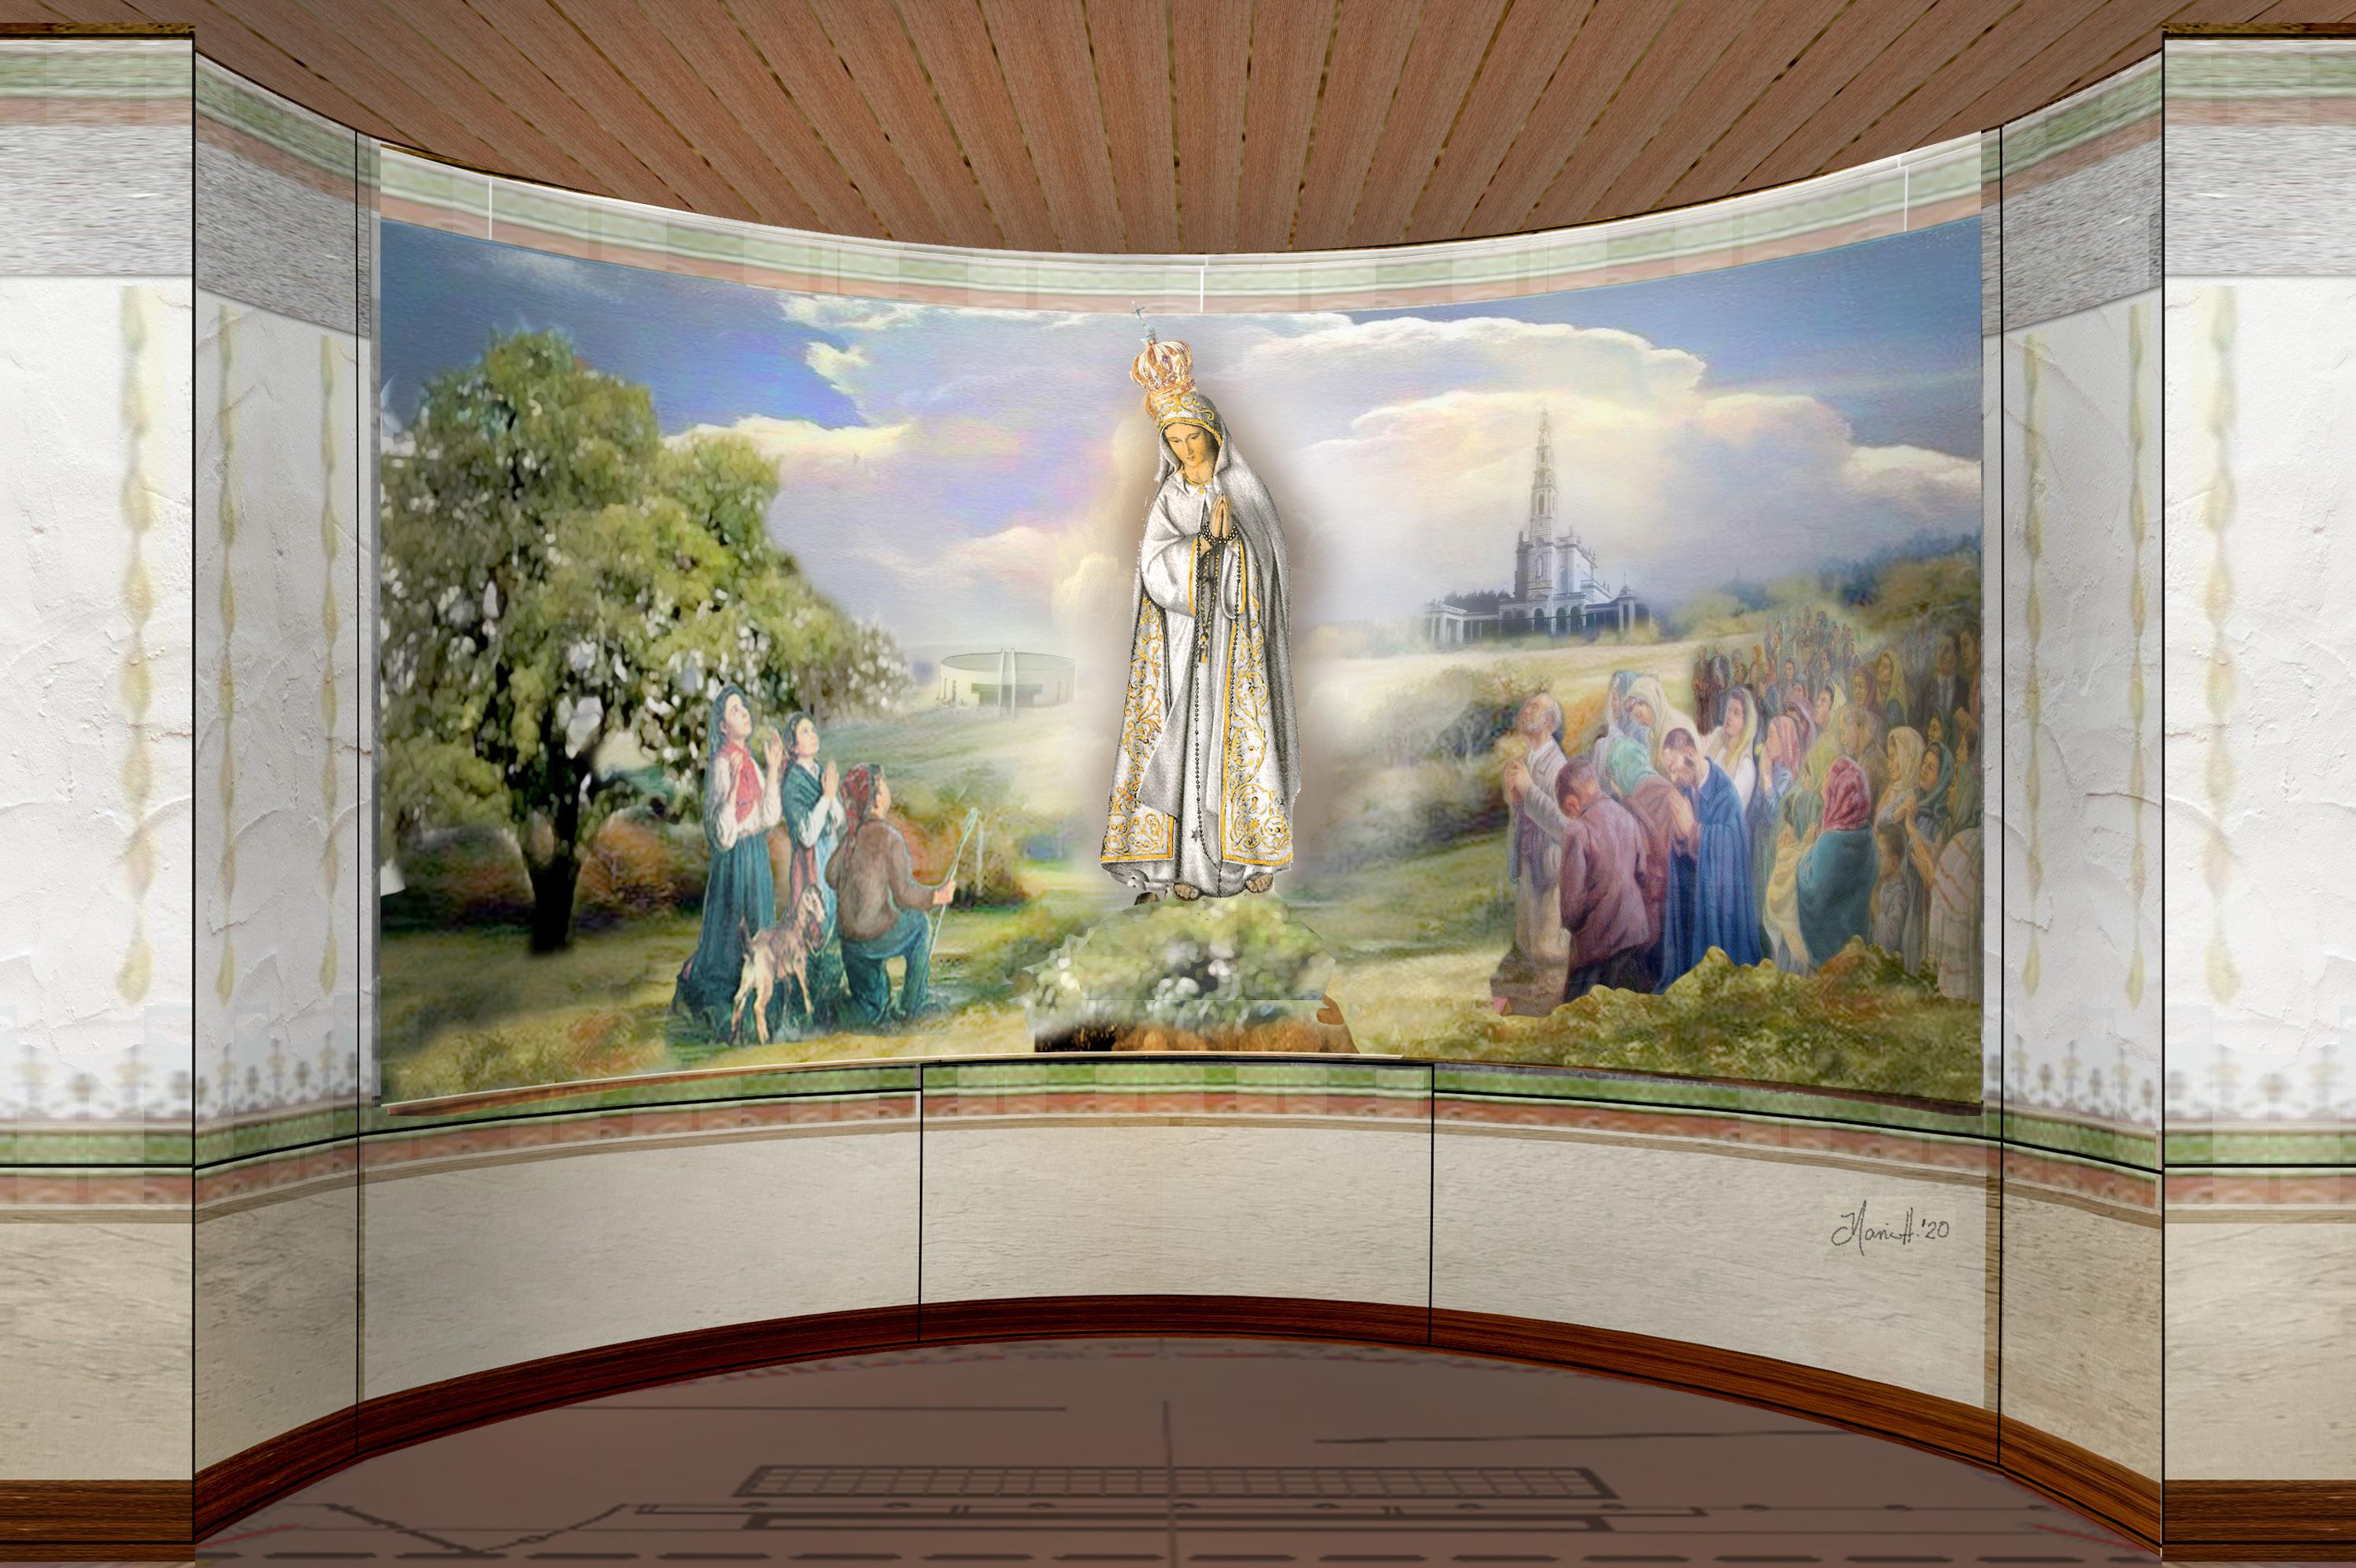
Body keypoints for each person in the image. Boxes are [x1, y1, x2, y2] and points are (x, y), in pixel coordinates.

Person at [1100, 333, 1300, 902]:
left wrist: (1232, 547)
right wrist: (1203, 548)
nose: (1186, 449)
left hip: (1237, 645)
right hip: (1185, 642)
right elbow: (1154, 566)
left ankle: (1249, 858)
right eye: (1175, 440)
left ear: (1213, 435)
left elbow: (1267, 565)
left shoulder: (1243, 489)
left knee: (1239, 742)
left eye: (1193, 437)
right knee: (1187, 742)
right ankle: (1185, 868)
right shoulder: (1169, 497)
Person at [672, 684, 782, 1033]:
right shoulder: (722, 764)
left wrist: (774, 768)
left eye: (744, 707)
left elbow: (769, 817)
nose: (744, 713)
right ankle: (723, 1012)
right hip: (734, 863)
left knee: (760, 931)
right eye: (735, 710)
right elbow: (721, 833)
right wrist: (734, 787)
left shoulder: (750, 761)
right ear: (722, 726)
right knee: (732, 935)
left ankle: (760, 1012)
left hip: (756, 856)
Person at [828, 765, 955, 1025]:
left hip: (850, 943)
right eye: (884, 784)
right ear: (876, 797)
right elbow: (905, 895)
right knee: (919, 926)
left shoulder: (850, 838)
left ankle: (837, 1013)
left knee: (872, 1006)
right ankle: (913, 1004)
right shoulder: (889, 838)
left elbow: (830, 876)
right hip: (874, 938)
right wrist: (937, 896)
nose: (887, 790)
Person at [1657, 728, 1762, 985]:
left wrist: (1695, 832)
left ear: (1690, 754)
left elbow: (1732, 846)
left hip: (1719, 901)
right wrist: (1680, 840)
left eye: (1674, 768)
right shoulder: (1686, 790)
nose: (1673, 777)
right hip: (1695, 896)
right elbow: (1683, 843)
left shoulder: (1726, 794)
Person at [1492, 693, 1572, 1014]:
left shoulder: (1559, 766)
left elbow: (1564, 825)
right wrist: (1515, 798)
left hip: (1551, 864)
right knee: (1528, 930)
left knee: (1549, 934)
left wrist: (1527, 790)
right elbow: (1524, 811)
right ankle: (1530, 985)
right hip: (1529, 859)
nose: (1526, 711)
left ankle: (1552, 991)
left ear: (1549, 722)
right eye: (1527, 707)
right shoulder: (1528, 761)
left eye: (1535, 708)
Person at [1555, 758, 1653, 1000]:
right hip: (1636, 939)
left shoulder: (1577, 833)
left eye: (1568, 813)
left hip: (1598, 951)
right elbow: (1642, 875)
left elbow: (1570, 911)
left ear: (1572, 803)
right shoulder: (1628, 818)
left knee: (1578, 1015)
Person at [1607, 739, 1689, 992]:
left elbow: (1634, 857)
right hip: (1677, 891)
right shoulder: (1669, 789)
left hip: (1651, 893)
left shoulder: (1632, 800)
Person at [1798, 756, 1877, 964]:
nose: (1824, 781)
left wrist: (1807, 852)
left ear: (1839, 793)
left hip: (1831, 949)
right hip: (1857, 938)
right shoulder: (1867, 835)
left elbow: (1812, 891)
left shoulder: (1831, 841)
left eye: (1829, 778)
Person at [1872, 726, 1927, 962]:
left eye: (1894, 757)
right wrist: (1896, 814)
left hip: (1903, 876)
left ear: (1907, 757)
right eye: (1889, 757)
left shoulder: (1912, 794)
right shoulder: (1893, 792)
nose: (1890, 763)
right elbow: (1882, 820)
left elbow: (1887, 823)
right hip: (1886, 873)